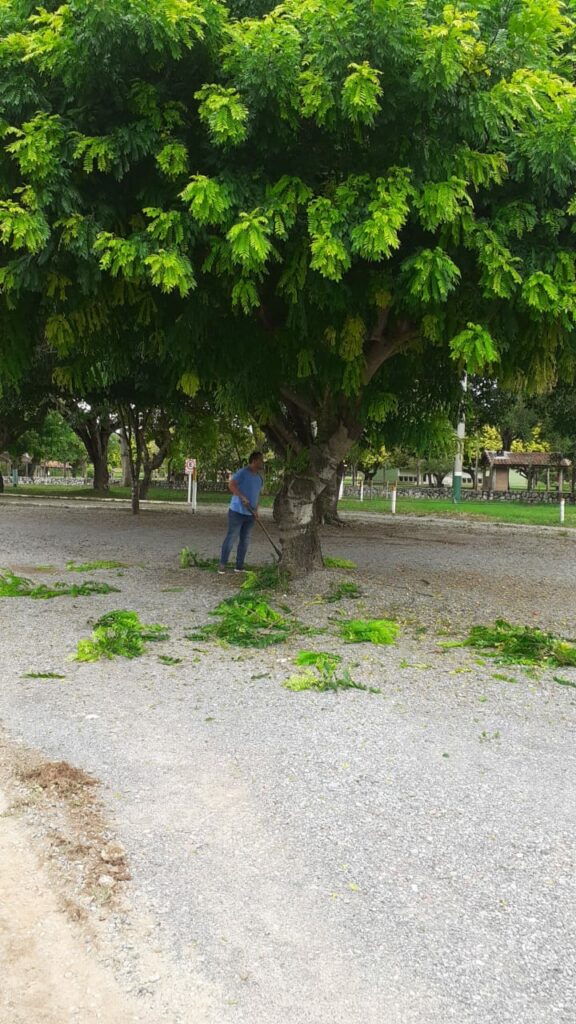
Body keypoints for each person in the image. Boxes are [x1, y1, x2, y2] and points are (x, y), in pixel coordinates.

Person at [218, 451, 265, 574]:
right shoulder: (243, 473)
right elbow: (231, 485)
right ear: (254, 460)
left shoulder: (259, 478)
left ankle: (239, 566)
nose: (263, 462)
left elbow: (258, 495)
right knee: (232, 537)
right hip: (237, 512)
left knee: (245, 540)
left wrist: (256, 510)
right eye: (261, 460)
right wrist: (241, 496)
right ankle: (222, 565)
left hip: (250, 514)